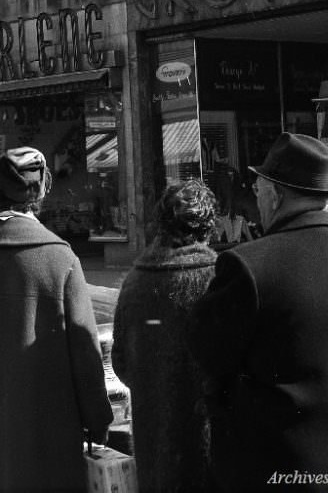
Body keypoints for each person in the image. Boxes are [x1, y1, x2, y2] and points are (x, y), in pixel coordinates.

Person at [186, 133, 328, 492]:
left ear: (275, 194)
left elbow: (207, 356)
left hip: (278, 470)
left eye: (258, 191)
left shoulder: (248, 265)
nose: (258, 200)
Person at [0, 147, 113, 492]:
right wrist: (98, 421)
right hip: (47, 445)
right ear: (43, 190)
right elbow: (86, 356)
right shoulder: (60, 258)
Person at [112, 179, 218, 493]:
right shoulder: (219, 276)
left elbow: (121, 362)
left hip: (153, 439)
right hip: (209, 441)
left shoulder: (136, 279)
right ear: (208, 227)